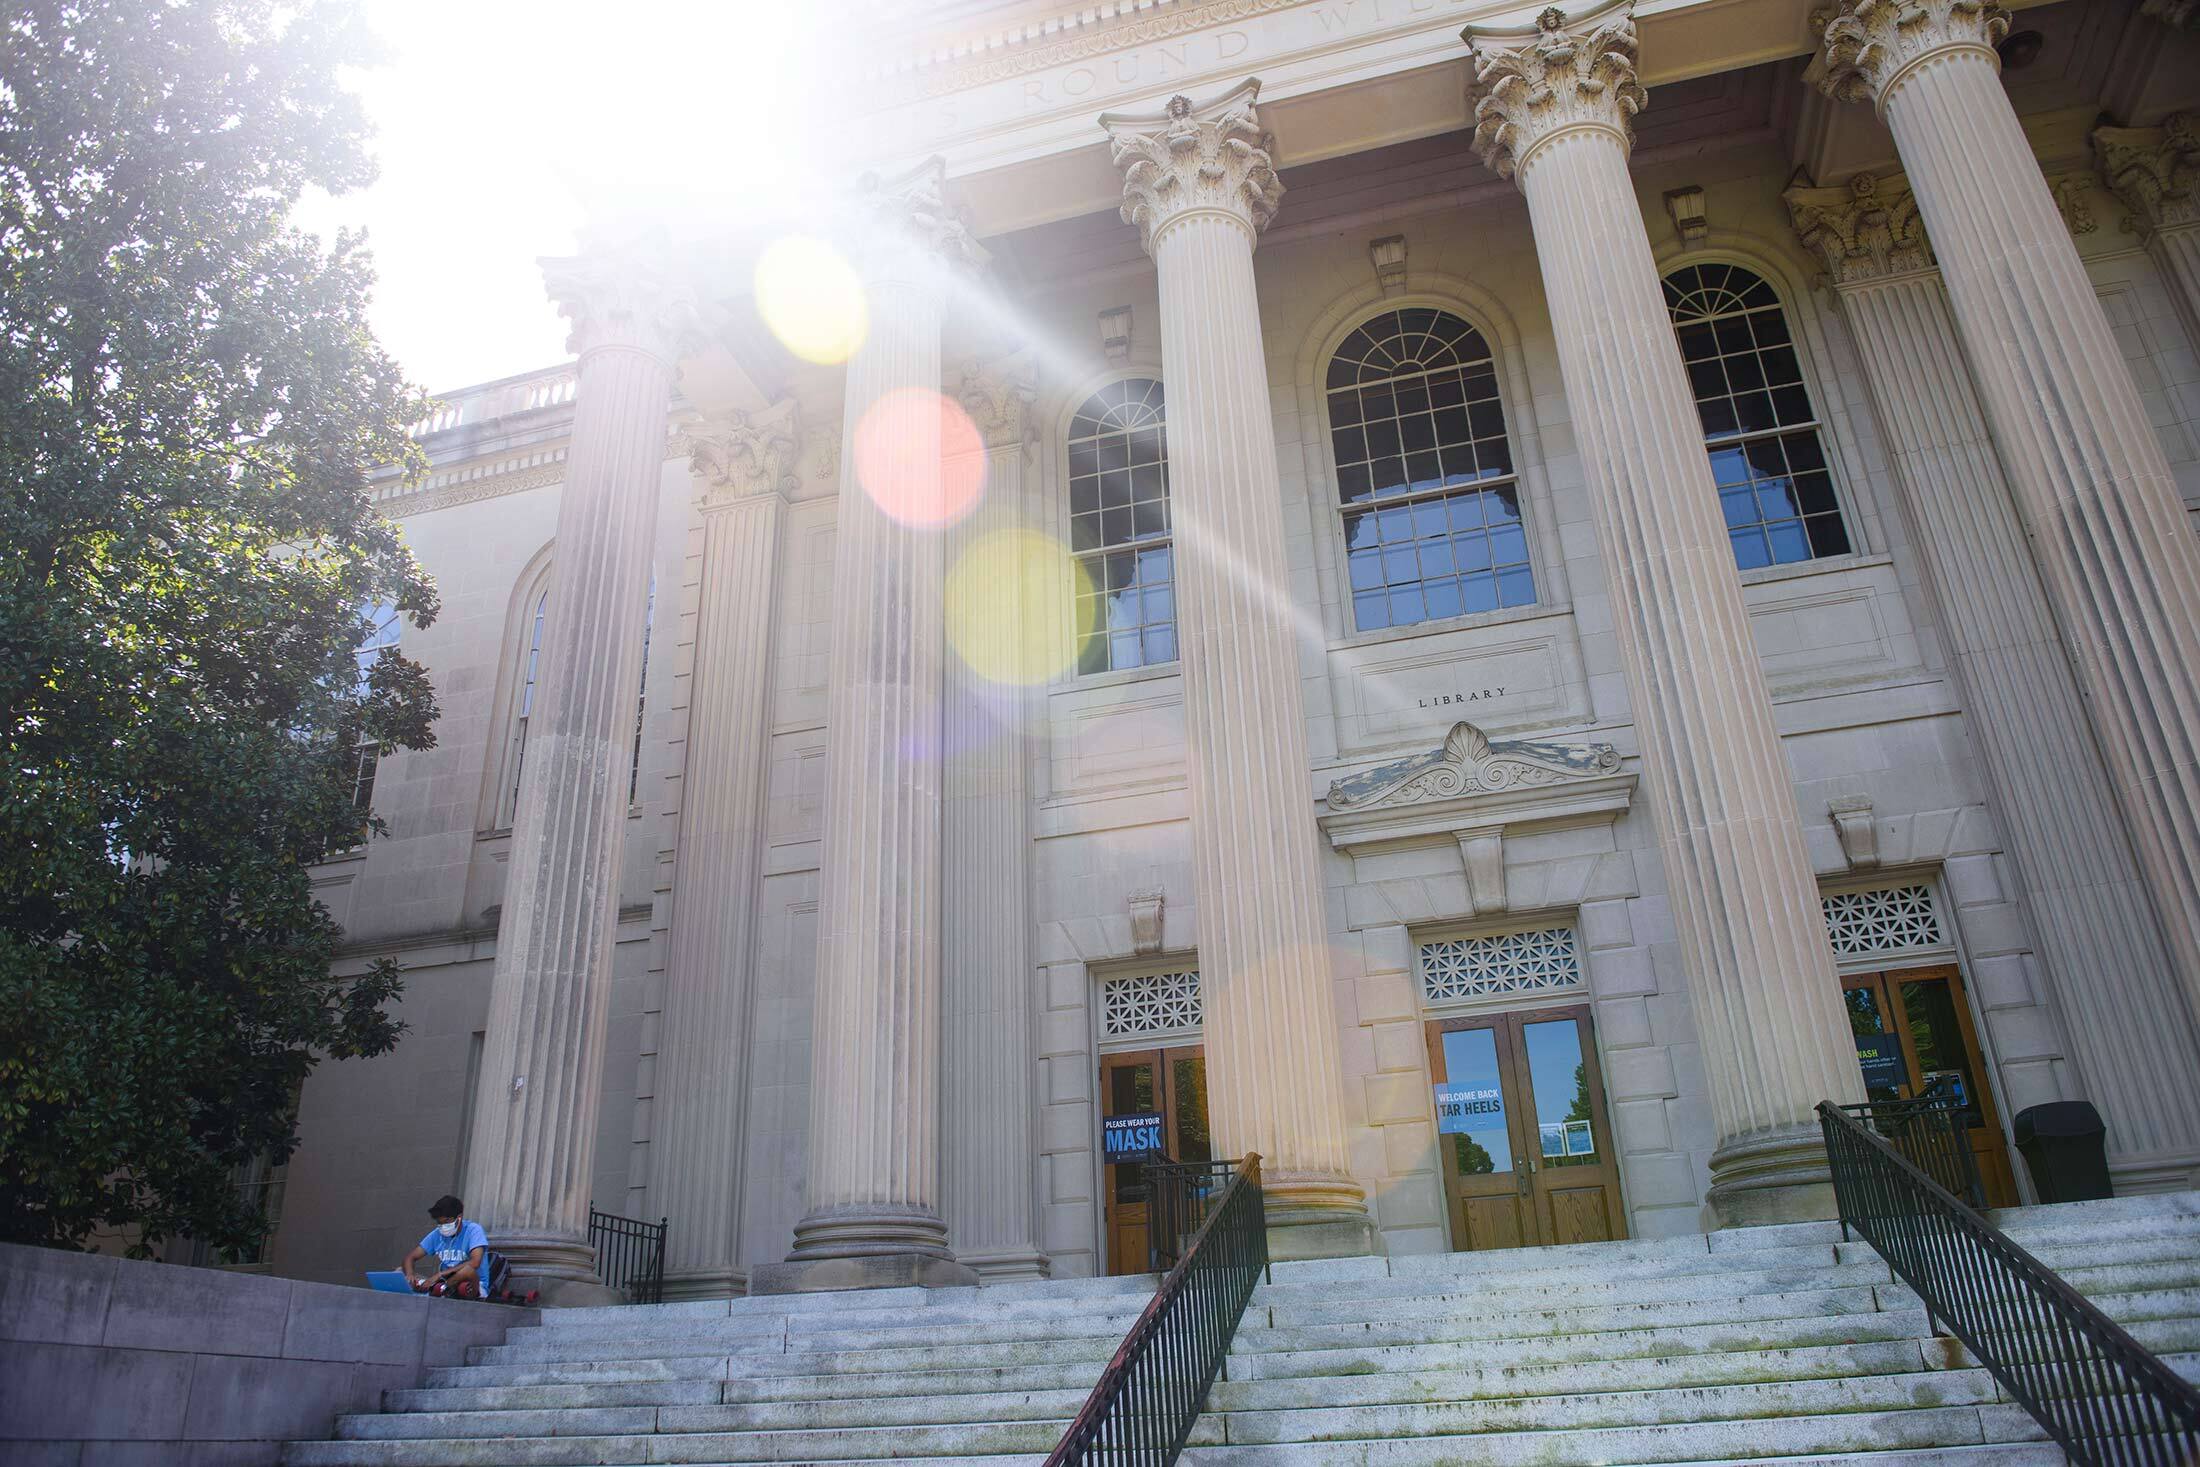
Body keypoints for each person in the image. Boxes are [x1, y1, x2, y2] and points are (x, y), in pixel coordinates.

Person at [400, 1194, 492, 1299]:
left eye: (447, 1221)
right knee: (400, 1271)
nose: (443, 1226)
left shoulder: (473, 1230)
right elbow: (410, 1258)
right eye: (439, 1222)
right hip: (444, 1282)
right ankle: (437, 1289)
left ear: (459, 1217)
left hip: (472, 1285)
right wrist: (410, 1275)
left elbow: (475, 1262)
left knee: (467, 1270)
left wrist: (440, 1274)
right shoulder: (437, 1234)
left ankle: (440, 1289)